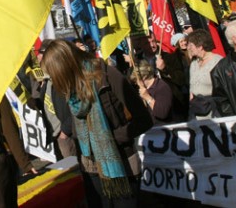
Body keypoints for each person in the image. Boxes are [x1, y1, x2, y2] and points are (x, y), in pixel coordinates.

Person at [40, 39, 152, 207]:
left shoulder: (107, 75)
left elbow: (144, 120)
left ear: (65, 65)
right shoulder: (70, 89)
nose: (55, 81)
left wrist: (110, 138)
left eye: (55, 74)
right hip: (90, 169)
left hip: (121, 165)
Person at [186, 29, 223, 120]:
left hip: (214, 113)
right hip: (196, 113)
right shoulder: (194, 64)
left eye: (191, 45)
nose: (188, 48)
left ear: (200, 46)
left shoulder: (218, 62)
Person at [129, 60, 175, 126]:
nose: (136, 83)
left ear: (144, 77)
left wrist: (148, 98)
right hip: (151, 129)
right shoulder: (144, 89)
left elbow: (162, 113)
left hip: (163, 129)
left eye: (136, 80)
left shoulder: (161, 87)